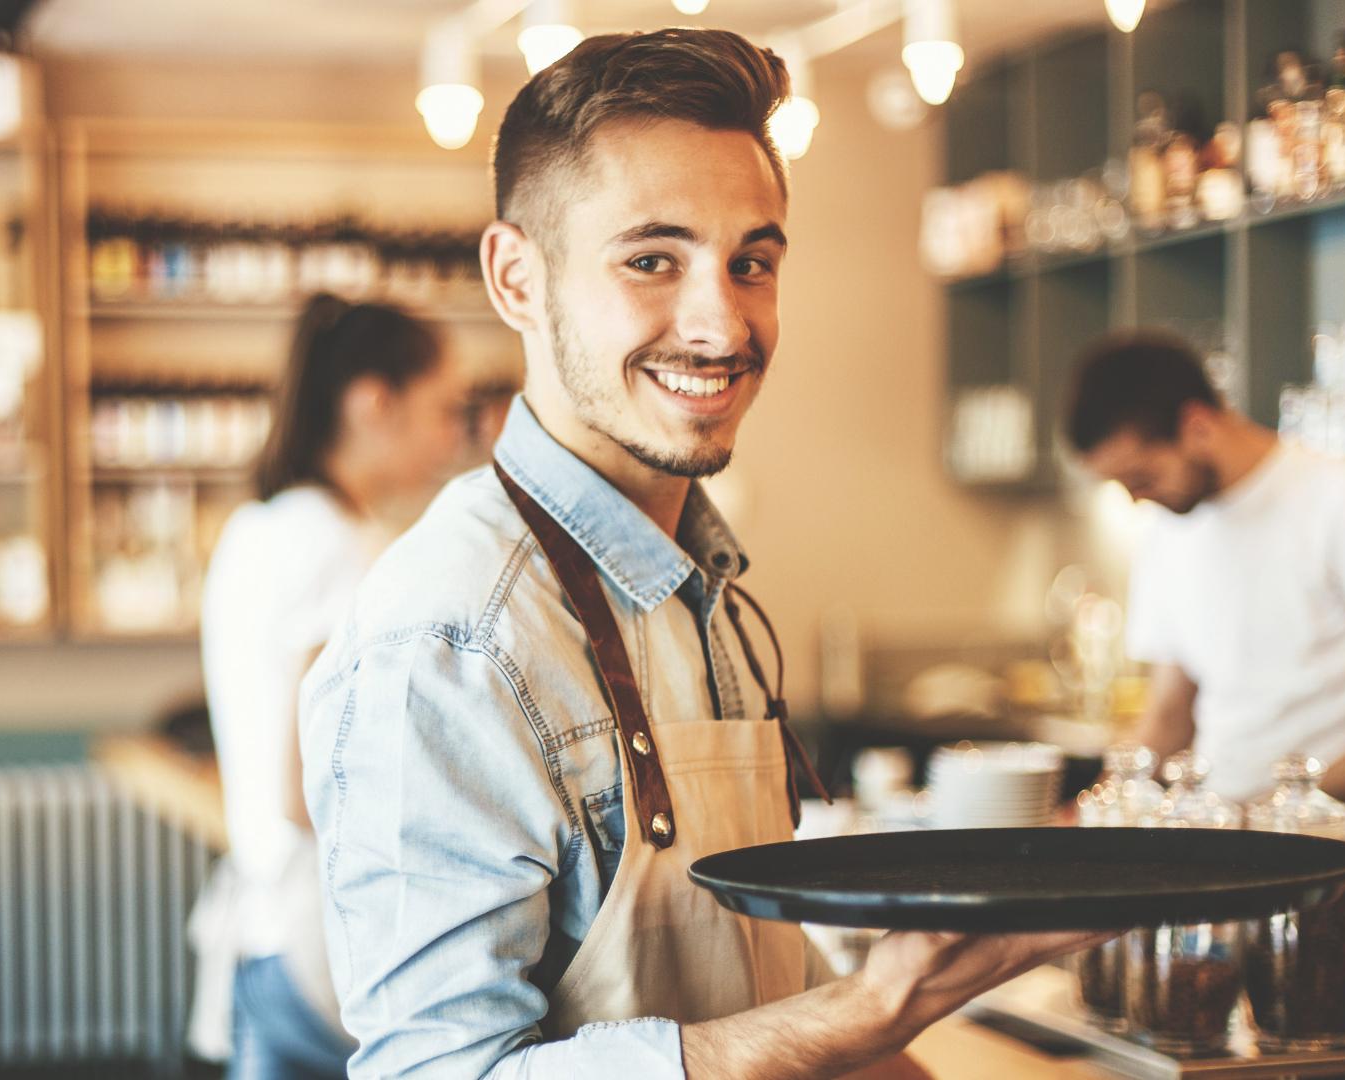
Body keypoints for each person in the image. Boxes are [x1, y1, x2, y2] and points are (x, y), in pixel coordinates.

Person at [299, 29, 1104, 1079]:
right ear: (518, 279)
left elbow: (755, 980)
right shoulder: (451, 638)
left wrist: (884, 1027)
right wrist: (862, 1013)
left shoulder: (697, 585)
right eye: (651, 261)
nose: (722, 326)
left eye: (752, 263)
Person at [198, 294, 469, 1079]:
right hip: (326, 940)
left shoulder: (261, 527)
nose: (454, 436)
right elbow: (305, 785)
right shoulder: (346, 551)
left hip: (263, 932)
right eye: (442, 409)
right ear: (372, 402)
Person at [1065, 330, 1345, 801]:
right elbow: (1169, 717)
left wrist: (1296, 817)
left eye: (1142, 477)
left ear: (1196, 424)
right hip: (1223, 827)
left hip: (1335, 835)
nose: (1136, 499)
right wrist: (1094, 815)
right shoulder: (1166, 529)